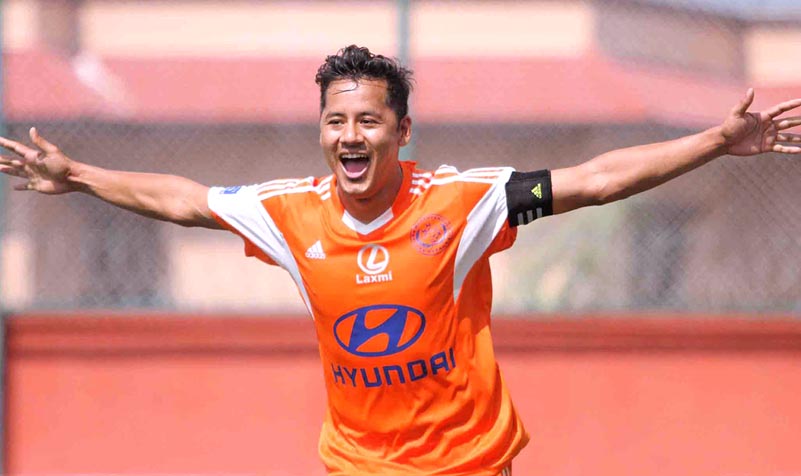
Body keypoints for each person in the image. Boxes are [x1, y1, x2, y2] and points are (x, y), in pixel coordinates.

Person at [1, 45, 800, 475]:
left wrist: (712, 145)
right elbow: (183, 200)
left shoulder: (461, 205)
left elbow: (592, 181)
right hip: (359, 467)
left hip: (466, 464)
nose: (350, 135)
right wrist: (80, 179)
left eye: (368, 121)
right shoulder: (292, 212)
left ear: (402, 131)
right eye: (335, 120)